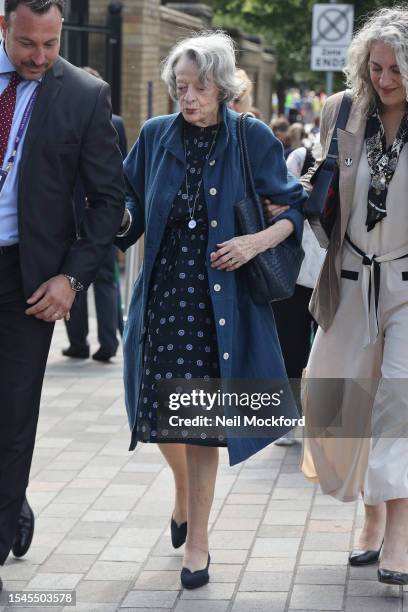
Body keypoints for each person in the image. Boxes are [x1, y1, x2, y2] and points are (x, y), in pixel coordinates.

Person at [116, 31, 306, 589]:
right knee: (159, 417)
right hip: (164, 298)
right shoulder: (155, 135)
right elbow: (127, 200)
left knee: (199, 424)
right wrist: (117, 220)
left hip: (217, 302)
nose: (189, 97)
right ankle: (182, 496)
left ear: (222, 87)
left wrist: (255, 242)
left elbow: (293, 208)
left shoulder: (250, 138)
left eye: (199, 87)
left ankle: (196, 541)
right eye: (181, 86)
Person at [0, 0, 124, 591]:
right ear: (3, 26)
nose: (40, 57)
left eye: (51, 44)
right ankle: (11, 504)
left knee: (12, 410)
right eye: (28, 43)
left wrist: (71, 279)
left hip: (28, 279)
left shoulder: (83, 93)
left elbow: (109, 201)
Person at [298, 6, 408, 587]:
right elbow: (326, 188)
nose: (385, 80)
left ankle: (397, 537)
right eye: (376, 68)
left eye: (395, 70)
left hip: (407, 287)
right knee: (335, 404)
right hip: (348, 278)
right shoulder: (343, 113)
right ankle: (369, 511)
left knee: (397, 406)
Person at [62, 66, 127, 362]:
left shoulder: (72, 119)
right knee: (99, 280)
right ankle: (106, 342)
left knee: (77, 273)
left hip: (91, 213)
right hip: (91, 213)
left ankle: (82, 342)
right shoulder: (115, 122)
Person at [271, 139, 325, 447]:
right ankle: (287, 421)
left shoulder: (357, 156)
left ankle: (322, 423)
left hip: (333, 277)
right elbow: (279, 202)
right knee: (290, 348)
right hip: (294, 274)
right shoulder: (301, 158)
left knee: (326, 353)